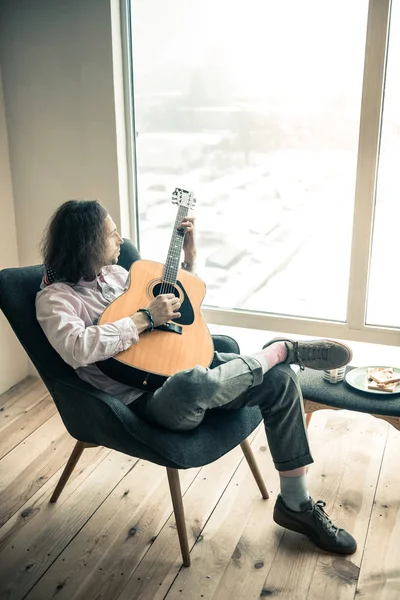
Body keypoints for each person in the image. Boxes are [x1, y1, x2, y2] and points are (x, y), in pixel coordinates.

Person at [36, 199, 357, 556]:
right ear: (88, 243)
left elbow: (172, 303)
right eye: (112, 234)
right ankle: (278, 351)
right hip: (147, 400)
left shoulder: (116, 275)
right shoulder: (54, 300)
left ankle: (296, 505)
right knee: (195, 382)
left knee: (281, 381)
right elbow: (76, 348)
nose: (121, 239)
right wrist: (144, 319)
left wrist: (189, 258)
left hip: (183, 359)